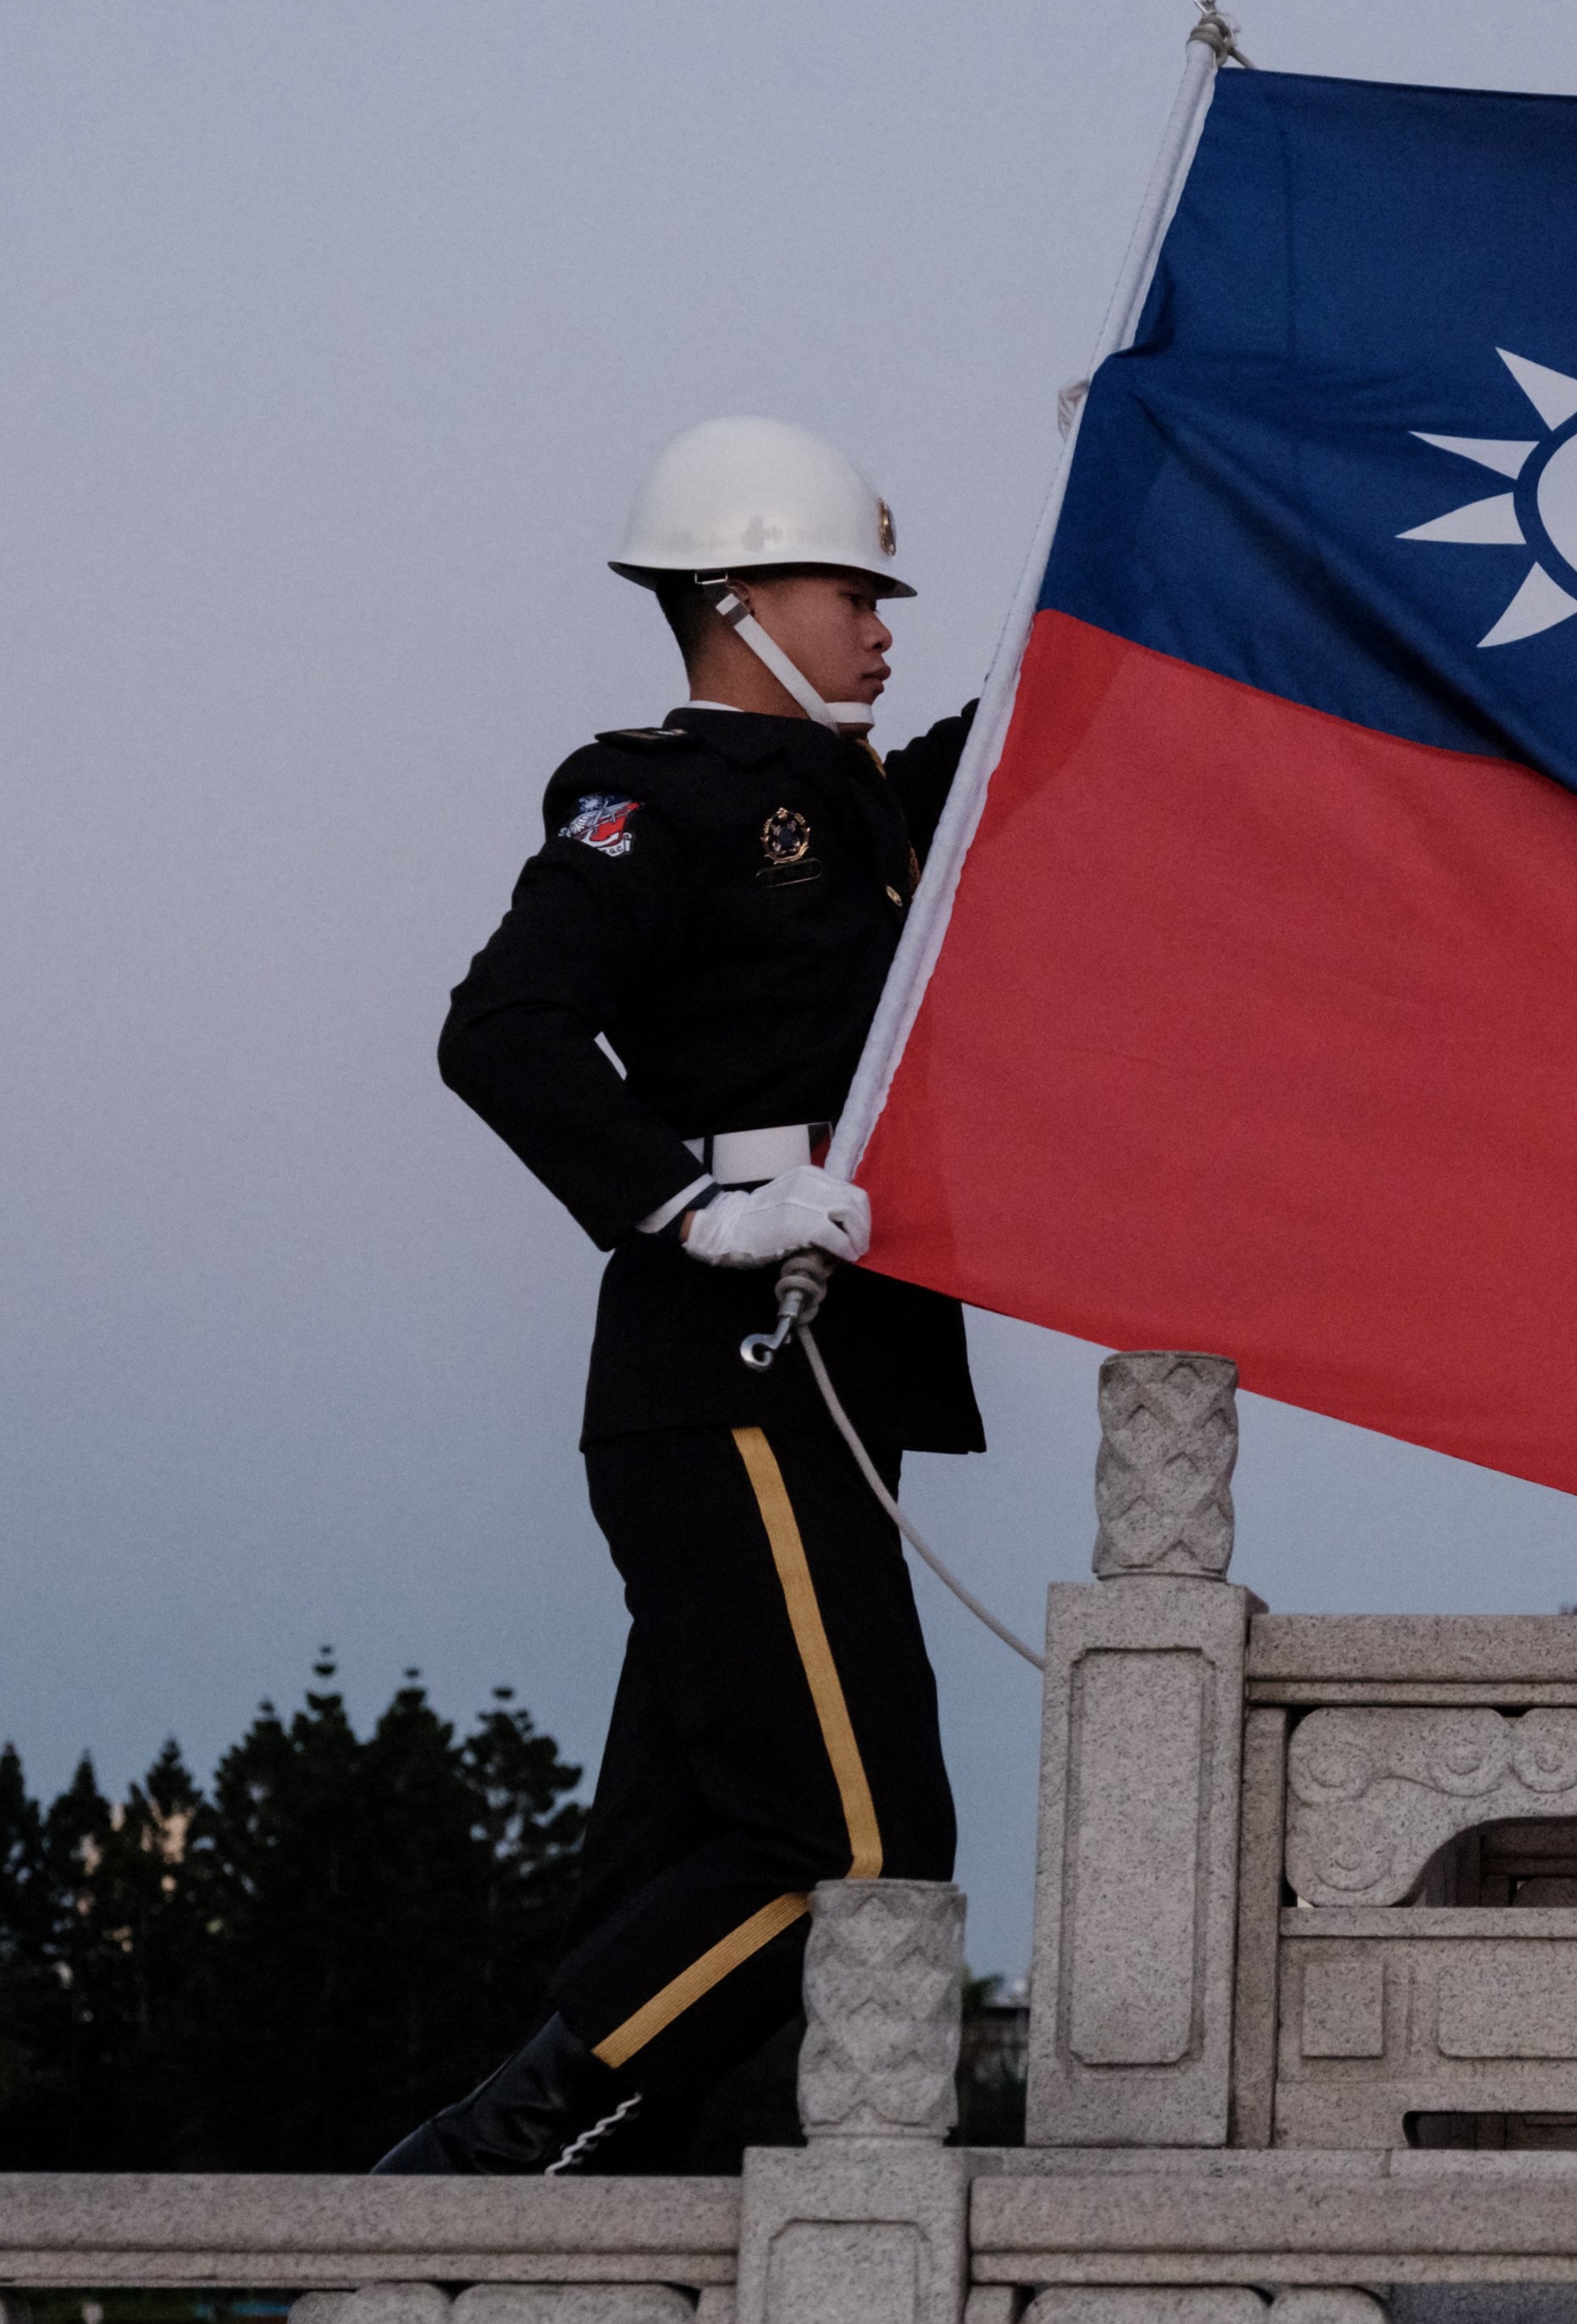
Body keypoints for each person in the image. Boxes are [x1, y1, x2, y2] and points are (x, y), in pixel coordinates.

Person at [385, 415, 984, 2173]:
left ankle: (588, 2189)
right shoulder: (665, 795)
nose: (883, 621)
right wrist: (681, 1199)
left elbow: (1013, 755)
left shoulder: (862, 805)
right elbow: (501, 1031)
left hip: (818, 1376)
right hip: (723, 1368)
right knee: (856, 1836)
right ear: (735, 595)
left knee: (690, 1839)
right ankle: (498, 2157)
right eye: (848, 586)